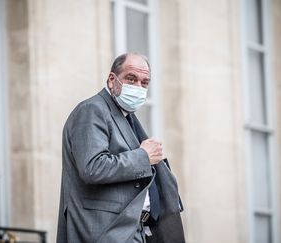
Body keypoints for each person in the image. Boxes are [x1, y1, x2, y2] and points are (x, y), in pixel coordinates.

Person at [56, 53, 185, 243]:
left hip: (136, 230)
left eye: (144, 82)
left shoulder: (126, 116)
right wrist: (143, 156)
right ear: (111, 80)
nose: (138, 87)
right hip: (104, 231)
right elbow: (92, 167)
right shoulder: (92, 109)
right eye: (131, 79)